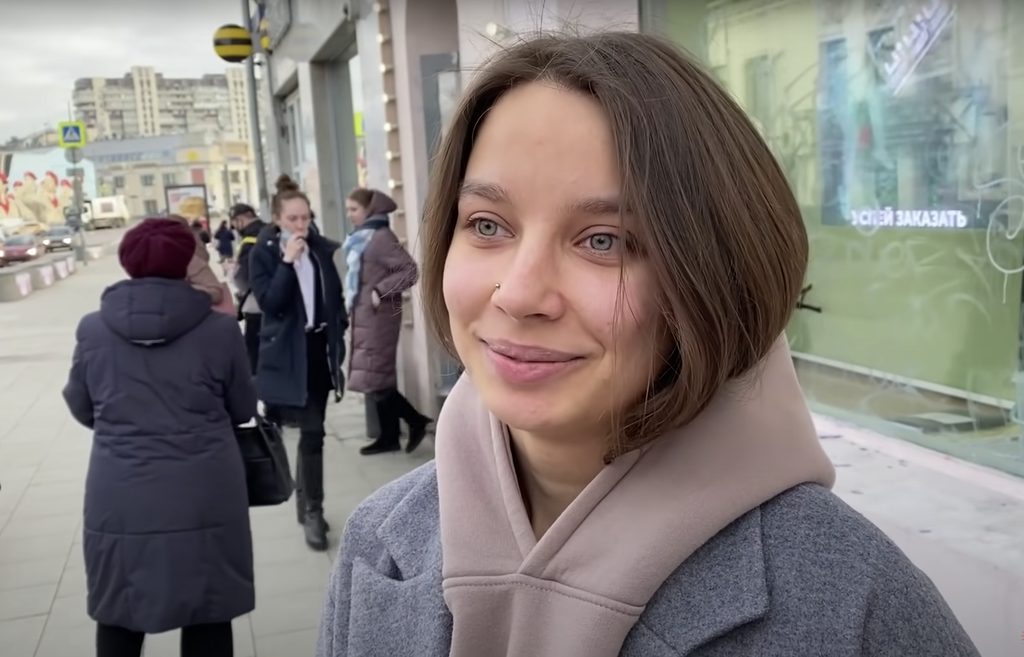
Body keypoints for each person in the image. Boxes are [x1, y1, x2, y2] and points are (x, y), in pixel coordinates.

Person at [316, 32, 979, 657]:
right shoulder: (379, 542)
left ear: (714, 272)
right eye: (487, 224)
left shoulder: (851, 603)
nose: (519, 294)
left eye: (603, 239)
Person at [62, 218, 257, 657]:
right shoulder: (221, 331)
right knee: (209, 610)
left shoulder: (94, 330)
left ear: (127, 263)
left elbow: (80, 404)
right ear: (182, 262)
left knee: (120, 612)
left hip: (121, 494)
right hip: (205, 492)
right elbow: (243, 408)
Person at [249, 174, 348, 552]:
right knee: (311, 432)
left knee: (313, 429)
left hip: (320, 349)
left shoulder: (322, 249)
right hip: (289, 353)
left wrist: (339, 323)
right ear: (277, 219)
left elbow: (334, 296)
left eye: (305, 218)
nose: (301, 225)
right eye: (293, 219)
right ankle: (314, 512)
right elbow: (270, 304)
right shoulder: (264, 254)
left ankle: (306, 501)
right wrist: (287, 264)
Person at [344, 188, 432, 456]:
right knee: (377, 376)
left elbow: (410, 270)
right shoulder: (363, 237)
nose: (350, 215)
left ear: (369, 211)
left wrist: (379, 289)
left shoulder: (381, 237)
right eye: (348, 210)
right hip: (367, 316)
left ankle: (416, 420)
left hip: (378, 317)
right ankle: (389, 436)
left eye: (354, 210)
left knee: (375, 376)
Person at [230, 203, 266, 374]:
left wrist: (231, 272)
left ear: (241, 219)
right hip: (277, 301)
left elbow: (242, 277)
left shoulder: (249, 239)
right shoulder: (270, 231)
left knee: (254, 352)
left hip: (256, 304)